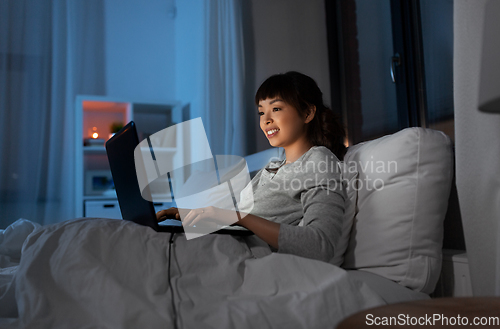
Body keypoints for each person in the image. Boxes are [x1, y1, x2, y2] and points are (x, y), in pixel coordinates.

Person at [157, 71, 347, 263]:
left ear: (307, 113)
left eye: (277, 109)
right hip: (223, 245)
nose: (266, 120)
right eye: (262, 112)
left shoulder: (320, 161)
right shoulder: (272, 168)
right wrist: (198, 216)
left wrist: (235, 216)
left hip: (240, 257)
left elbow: (320, 245)